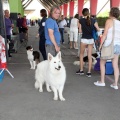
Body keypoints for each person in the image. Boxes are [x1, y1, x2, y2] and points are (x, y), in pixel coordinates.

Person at [94, 7, 120, 90]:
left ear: (111, 13)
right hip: (117, 45)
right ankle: (115, 84)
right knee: (115, 65)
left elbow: (104, 34)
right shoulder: (119, 23)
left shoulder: (109, 21)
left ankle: (102, 81)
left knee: (102, 62)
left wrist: (100, 45)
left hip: (109, 45)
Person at [76, 8, 100, 77]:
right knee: (89, 56)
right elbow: (98, 29)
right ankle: (89, 72)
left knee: (81, 55)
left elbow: (80, 31)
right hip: (91, 40)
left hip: (84, 39)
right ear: (88, 13)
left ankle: (81, 70)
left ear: (82, 13)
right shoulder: (93, 20)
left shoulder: (80, 20)